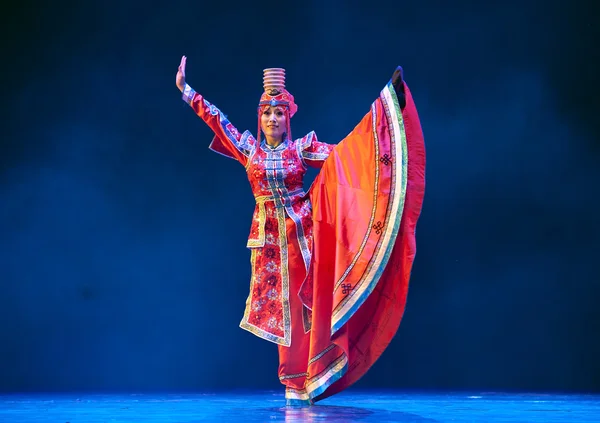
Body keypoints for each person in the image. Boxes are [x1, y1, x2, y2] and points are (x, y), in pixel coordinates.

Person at [176, 56, 426, 406]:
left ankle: (315, 373)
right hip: (270, 244)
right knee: (284, 313)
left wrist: (386, 112)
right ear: (260, 117)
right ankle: (293, 379)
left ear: (288, 117)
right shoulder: (249, 150)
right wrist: (187, 91)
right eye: (266, 113)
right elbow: (218, 121)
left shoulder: (300, 149)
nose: (272, 119)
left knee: (310, 306)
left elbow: (347, 155)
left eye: (279, 113)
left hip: (306, 240)